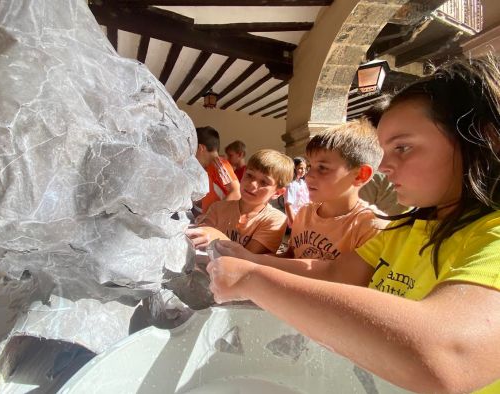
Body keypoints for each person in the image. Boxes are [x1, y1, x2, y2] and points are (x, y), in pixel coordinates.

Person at [206, 56, 500, 393]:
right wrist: (250, 259)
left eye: (403, 148)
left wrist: (251, 279)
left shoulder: (493, 238)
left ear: (483, 138)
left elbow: (447, 357)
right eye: (386, 149)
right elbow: (332, 273)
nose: (386, 166)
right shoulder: (404, 231)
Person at [285, 119, 386, 260]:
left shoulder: (371, 227)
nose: (308, 177)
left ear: (360, 175)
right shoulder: (304, 213)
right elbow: (290, 256)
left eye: (322, 168)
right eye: (310, 167)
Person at [186, 149, 292, 254]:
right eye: (249, 175)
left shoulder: (275, 220)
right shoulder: (218, 208)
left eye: (264, 182)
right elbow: (201, 234)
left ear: (278, 192)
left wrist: (215, 235)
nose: (252, 184)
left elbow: (249, 258)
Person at [193, 126, 240, 216]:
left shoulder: (219, 163)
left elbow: (236, 192)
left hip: (216, 221)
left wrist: (211, 216)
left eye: (192, 148)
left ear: (201, 148)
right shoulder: (206, 166)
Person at [283, 156, 310, 227]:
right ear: (294, 168)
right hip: (296, 217)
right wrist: (293, 222)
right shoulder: (290, 185)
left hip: (305, 216)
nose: (303, 170)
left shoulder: (303, 182)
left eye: (305, 168)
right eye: (300, 168)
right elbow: (288, 204)